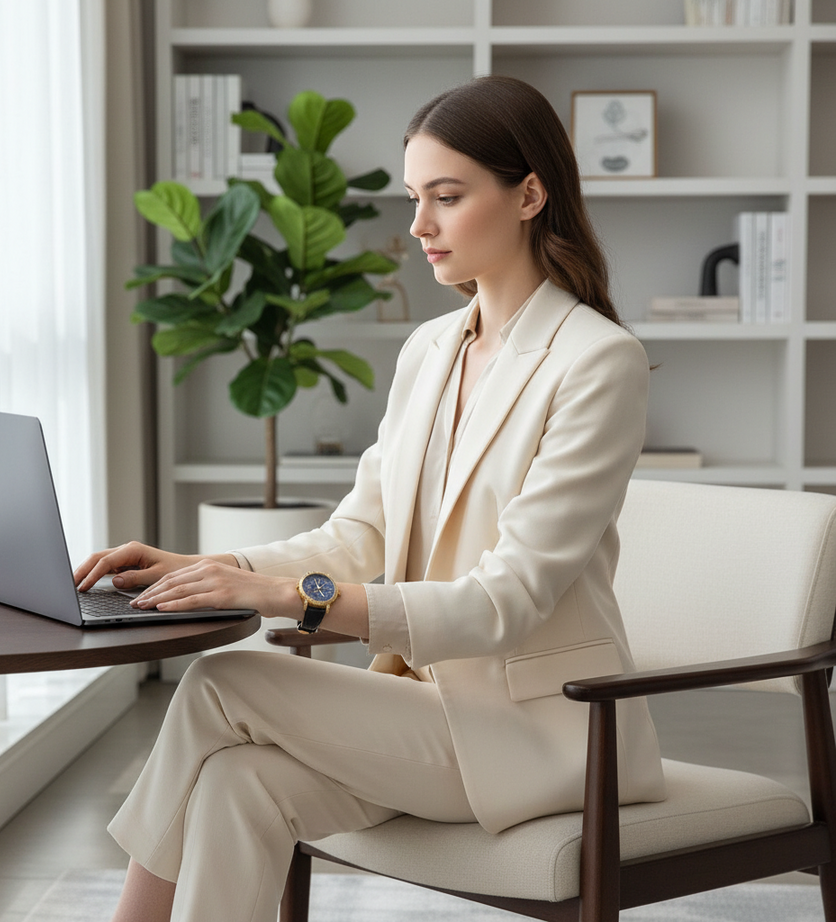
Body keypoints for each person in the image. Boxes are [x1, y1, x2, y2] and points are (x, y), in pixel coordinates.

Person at [74, 74, 666, 922]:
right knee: (239, 784)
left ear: (530, 193)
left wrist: (289, 599)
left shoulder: (596, 362)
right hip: (419, 706)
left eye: (447, 197)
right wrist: (213, 565)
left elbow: (509, 602)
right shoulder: (431, 348)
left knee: (219, 682)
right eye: (414, 197)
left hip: (540, 733)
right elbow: (363, 534)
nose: (418, 226)